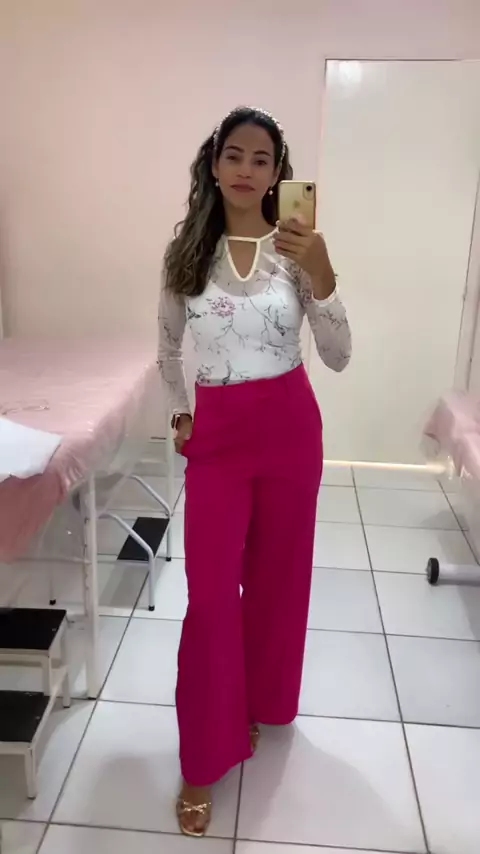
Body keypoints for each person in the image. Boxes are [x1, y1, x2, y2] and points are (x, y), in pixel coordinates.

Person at [158, 106, 351, 837]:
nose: (245, 169)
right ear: (214, 166)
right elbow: (165, 349)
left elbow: (338, 356)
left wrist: (323, 276)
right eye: (233, 155)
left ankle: (263, 705)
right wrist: (180, 413)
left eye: (261, 159)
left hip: (289, 429)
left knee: (277, 581)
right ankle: (203, 759)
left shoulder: (296, 253)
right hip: (218, 438)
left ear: (277, 174)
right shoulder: (186, 253)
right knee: (211, 597)